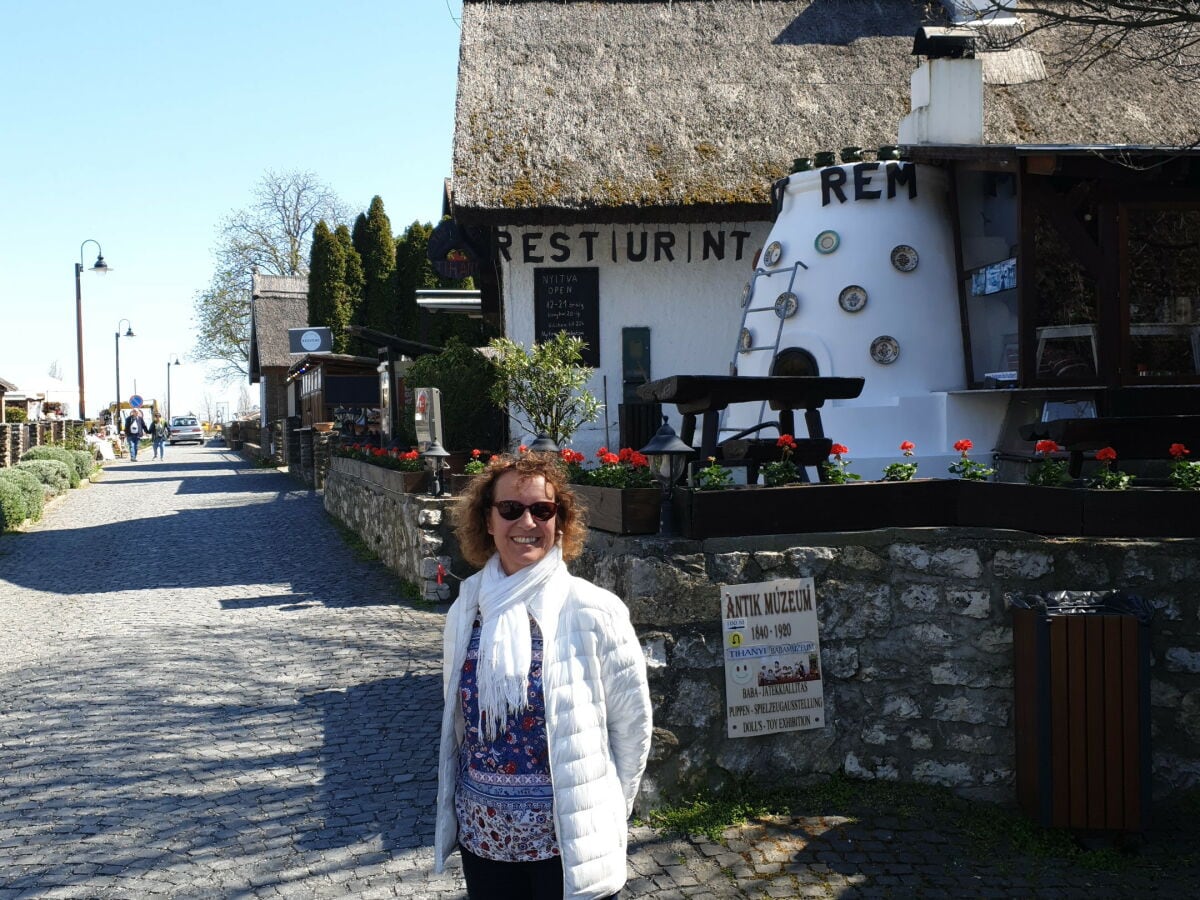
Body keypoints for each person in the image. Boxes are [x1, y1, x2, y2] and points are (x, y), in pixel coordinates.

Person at [435, 452, 652, 900]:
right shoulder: (468, 607)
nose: (527, 522)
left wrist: (610, 810)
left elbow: (632, 727)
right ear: (488, 521)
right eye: (511, 509)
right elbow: (458, 725)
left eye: (542, 509)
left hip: (567, 842)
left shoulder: (594, 609)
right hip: (485, 836)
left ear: (560, 521)